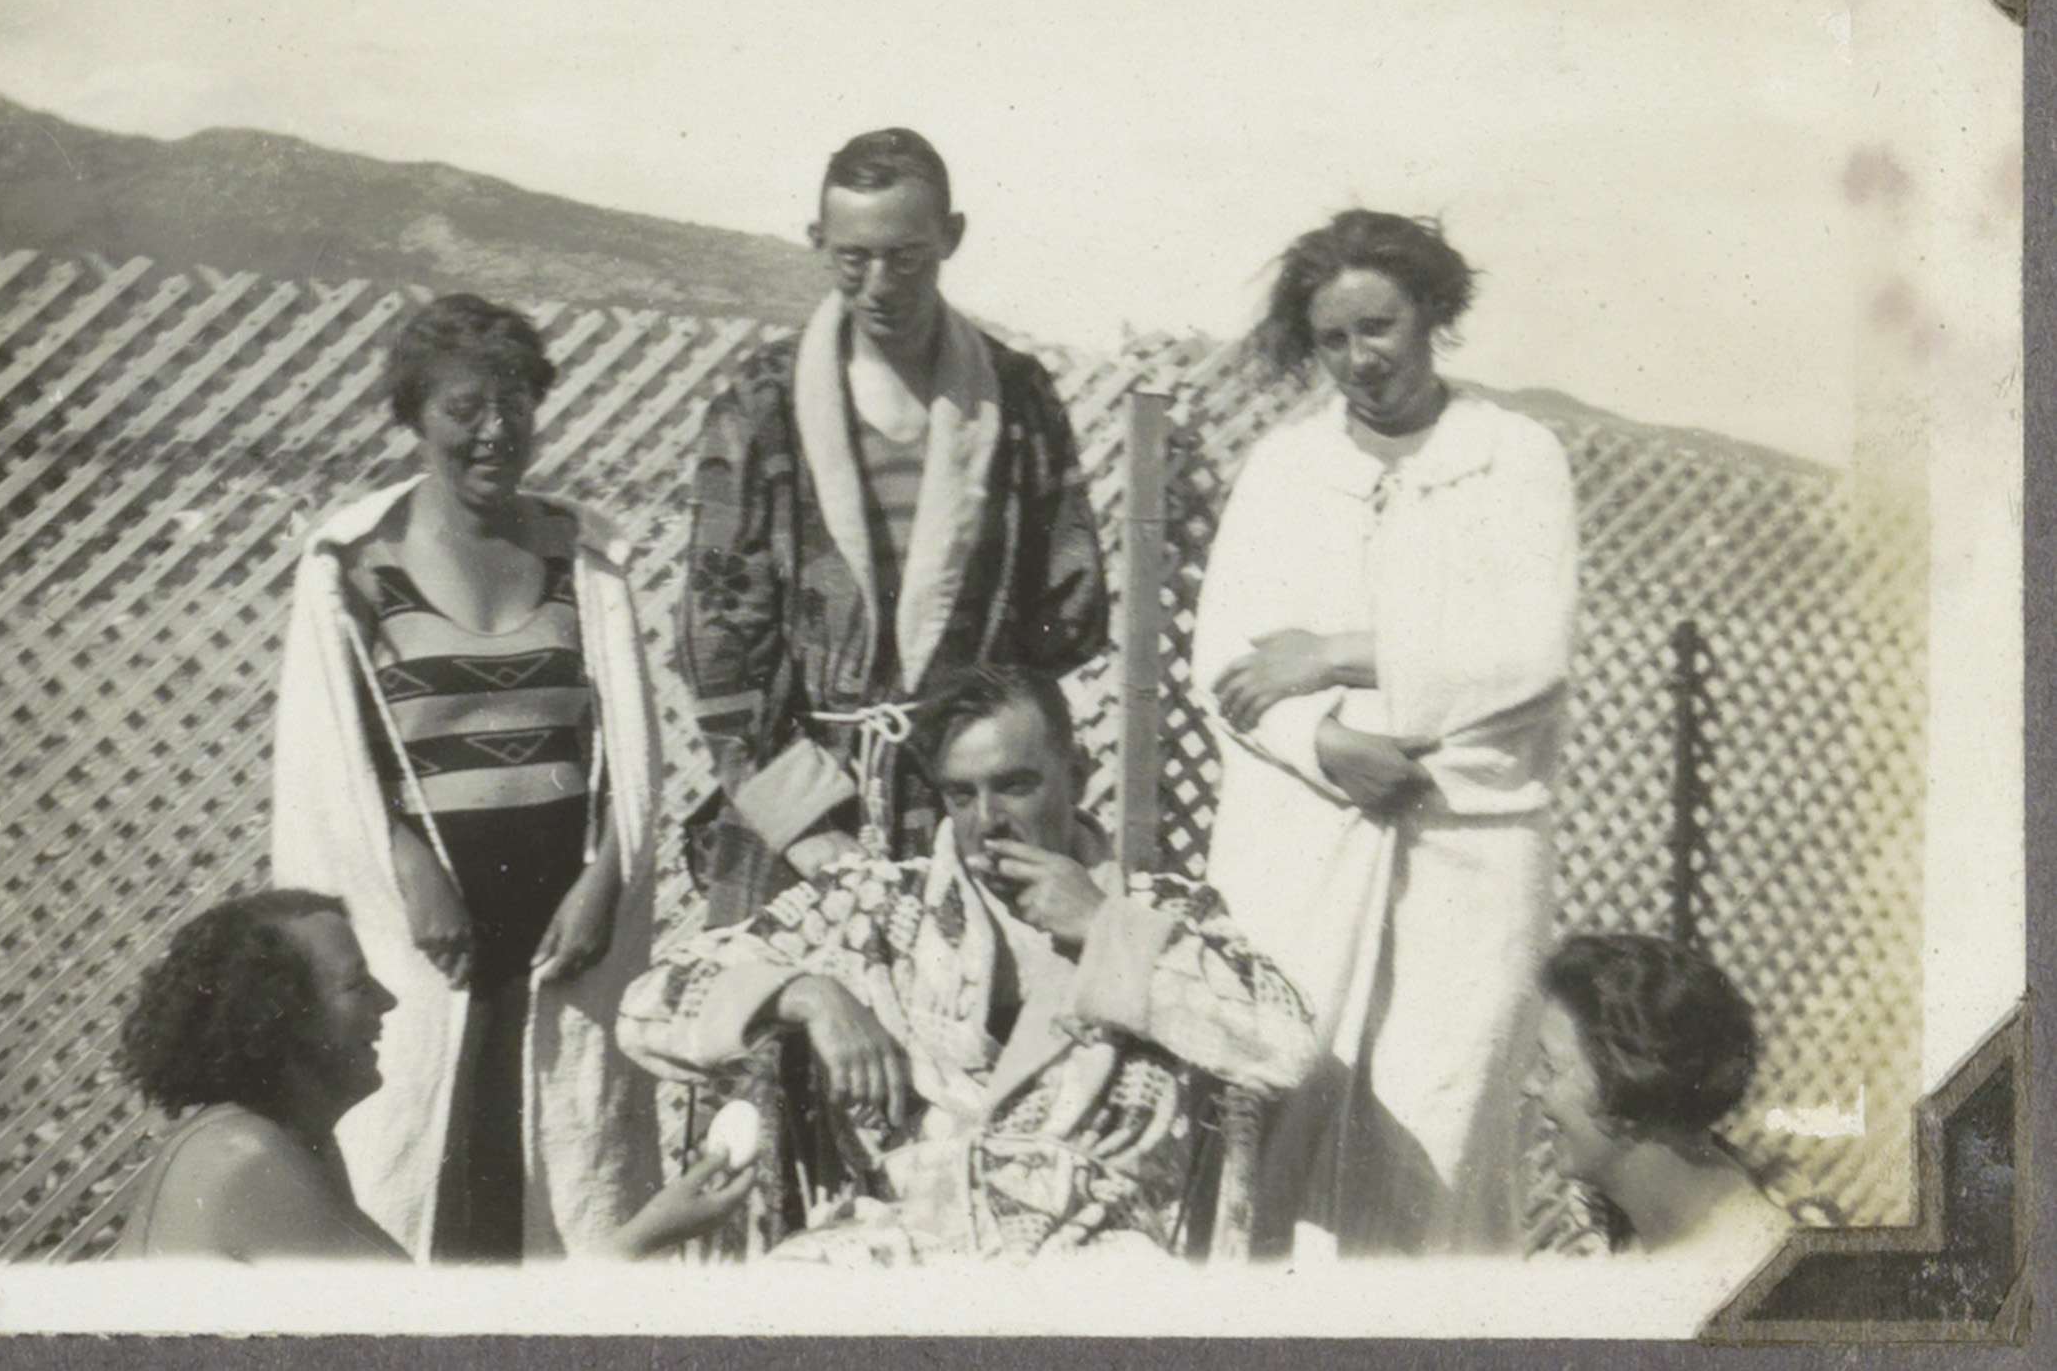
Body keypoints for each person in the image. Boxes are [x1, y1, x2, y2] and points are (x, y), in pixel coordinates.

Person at [616, 664, 1318, 1264]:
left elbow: (1289, 1048)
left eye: (1015, 785)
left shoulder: (1163, 910)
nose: (987, 820)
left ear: (1077, 775)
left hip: (1091, 1264)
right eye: (961, 794)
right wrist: (807, 993)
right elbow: (648, 1003)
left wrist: (1104, 926)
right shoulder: (875, 906)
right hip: (894, 1255)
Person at [1188, 208, 1579, 1258]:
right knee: (1277, 1110)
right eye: (1332, 338)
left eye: (1379, 326)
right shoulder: (1284, 468)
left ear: (1432, 312)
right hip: (1297, 847)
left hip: (1467, 851)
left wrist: (1333, 653)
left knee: (1440, 1130)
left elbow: (1527, 653)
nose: (1359, 358)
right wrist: (1322, 745)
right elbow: (1225, 657)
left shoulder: (1514, 458)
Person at [270, 294, 664, 1261]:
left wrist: (605, 880)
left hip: (563, 932)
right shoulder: (355, 566)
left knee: (561, 1174)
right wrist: (410, 867)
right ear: (413, 415)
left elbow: (632, 758)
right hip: (427, 933)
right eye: (464, 408)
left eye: (516, 403)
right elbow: (335, 763)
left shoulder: (585, 559)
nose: (495, 431)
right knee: (419, 1170)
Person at [677, 127, 1110, 929]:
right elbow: (717, 640)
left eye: (906, 257)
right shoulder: (759, 405)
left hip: (974, 813)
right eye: (853, 259)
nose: (880, 285)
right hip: (800, 823)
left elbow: (1067, 608)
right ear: (818, 241)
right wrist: (807, 828)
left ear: (952, 237)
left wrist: (995, 759)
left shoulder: (1018, 398)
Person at [111, 890, 753, 1261]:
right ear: (279, 1019)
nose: (388, 1001)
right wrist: (648, 1236)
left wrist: (648, 1232)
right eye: (356, 986)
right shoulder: (247, 1159)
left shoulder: (281, 1140)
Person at [1531, 934, 1820, 1263]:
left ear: (1631, 1083)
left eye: (1551, 1068)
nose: (1530, 1085)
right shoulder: (1623, 1232)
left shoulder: (1754, 1262)